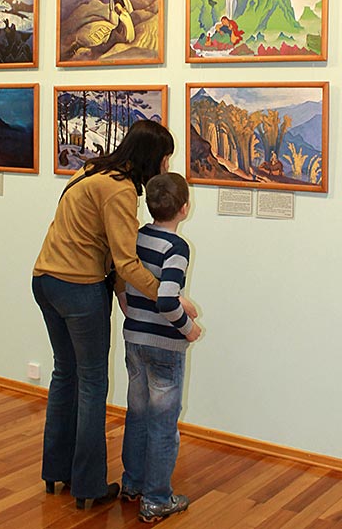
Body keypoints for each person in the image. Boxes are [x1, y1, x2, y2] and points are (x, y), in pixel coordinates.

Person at [32, 120, 193, 510]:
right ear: (151, 156)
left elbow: (107, 247)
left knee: (64, 374)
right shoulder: (120, 190)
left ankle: (56, 472)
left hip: (45, 279)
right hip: (79, 287)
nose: (166, 165)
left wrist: (122, 291)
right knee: (91, 383)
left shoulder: (91, 170)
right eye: (165, 157)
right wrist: (170, 296)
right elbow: (126, 261)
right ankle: (87, 486)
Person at [120, 172, 202, 523]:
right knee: (163, 423)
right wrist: (189, 329)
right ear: (184, 208)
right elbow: (167, 299)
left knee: (137, 415)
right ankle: (155, 499)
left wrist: (129, 309)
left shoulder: (138, 237)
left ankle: (132, 483)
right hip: (165, 347)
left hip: (134, 340)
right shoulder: (177, 248)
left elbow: (123, 279)